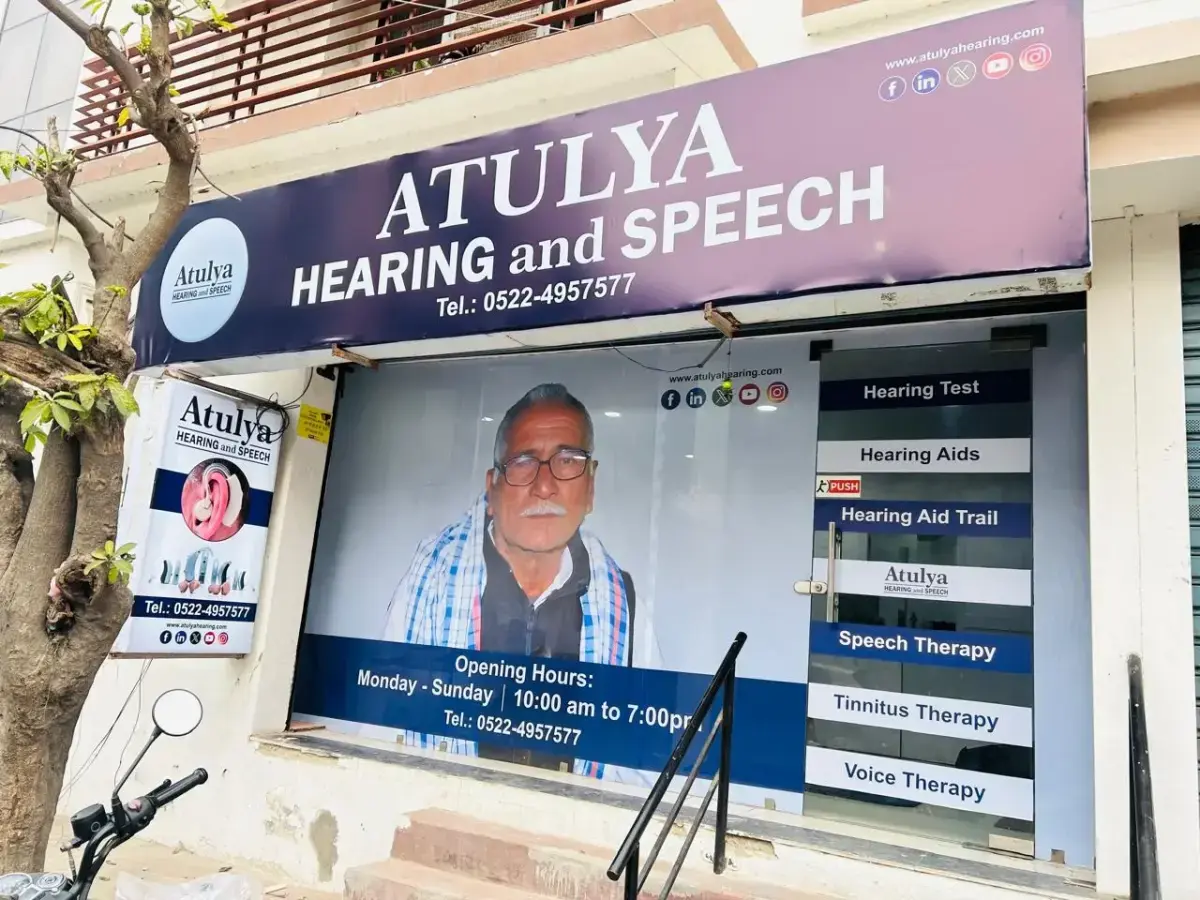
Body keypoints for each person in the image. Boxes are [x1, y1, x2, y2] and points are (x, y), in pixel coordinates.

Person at [383, 383, 636, 778]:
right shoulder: (428, 583)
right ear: (493, 484)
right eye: (523, 462)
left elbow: (639, 761)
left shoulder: (624, 605)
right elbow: (381, 723)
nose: (545, 485)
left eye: (568, 460)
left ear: (590, 486)